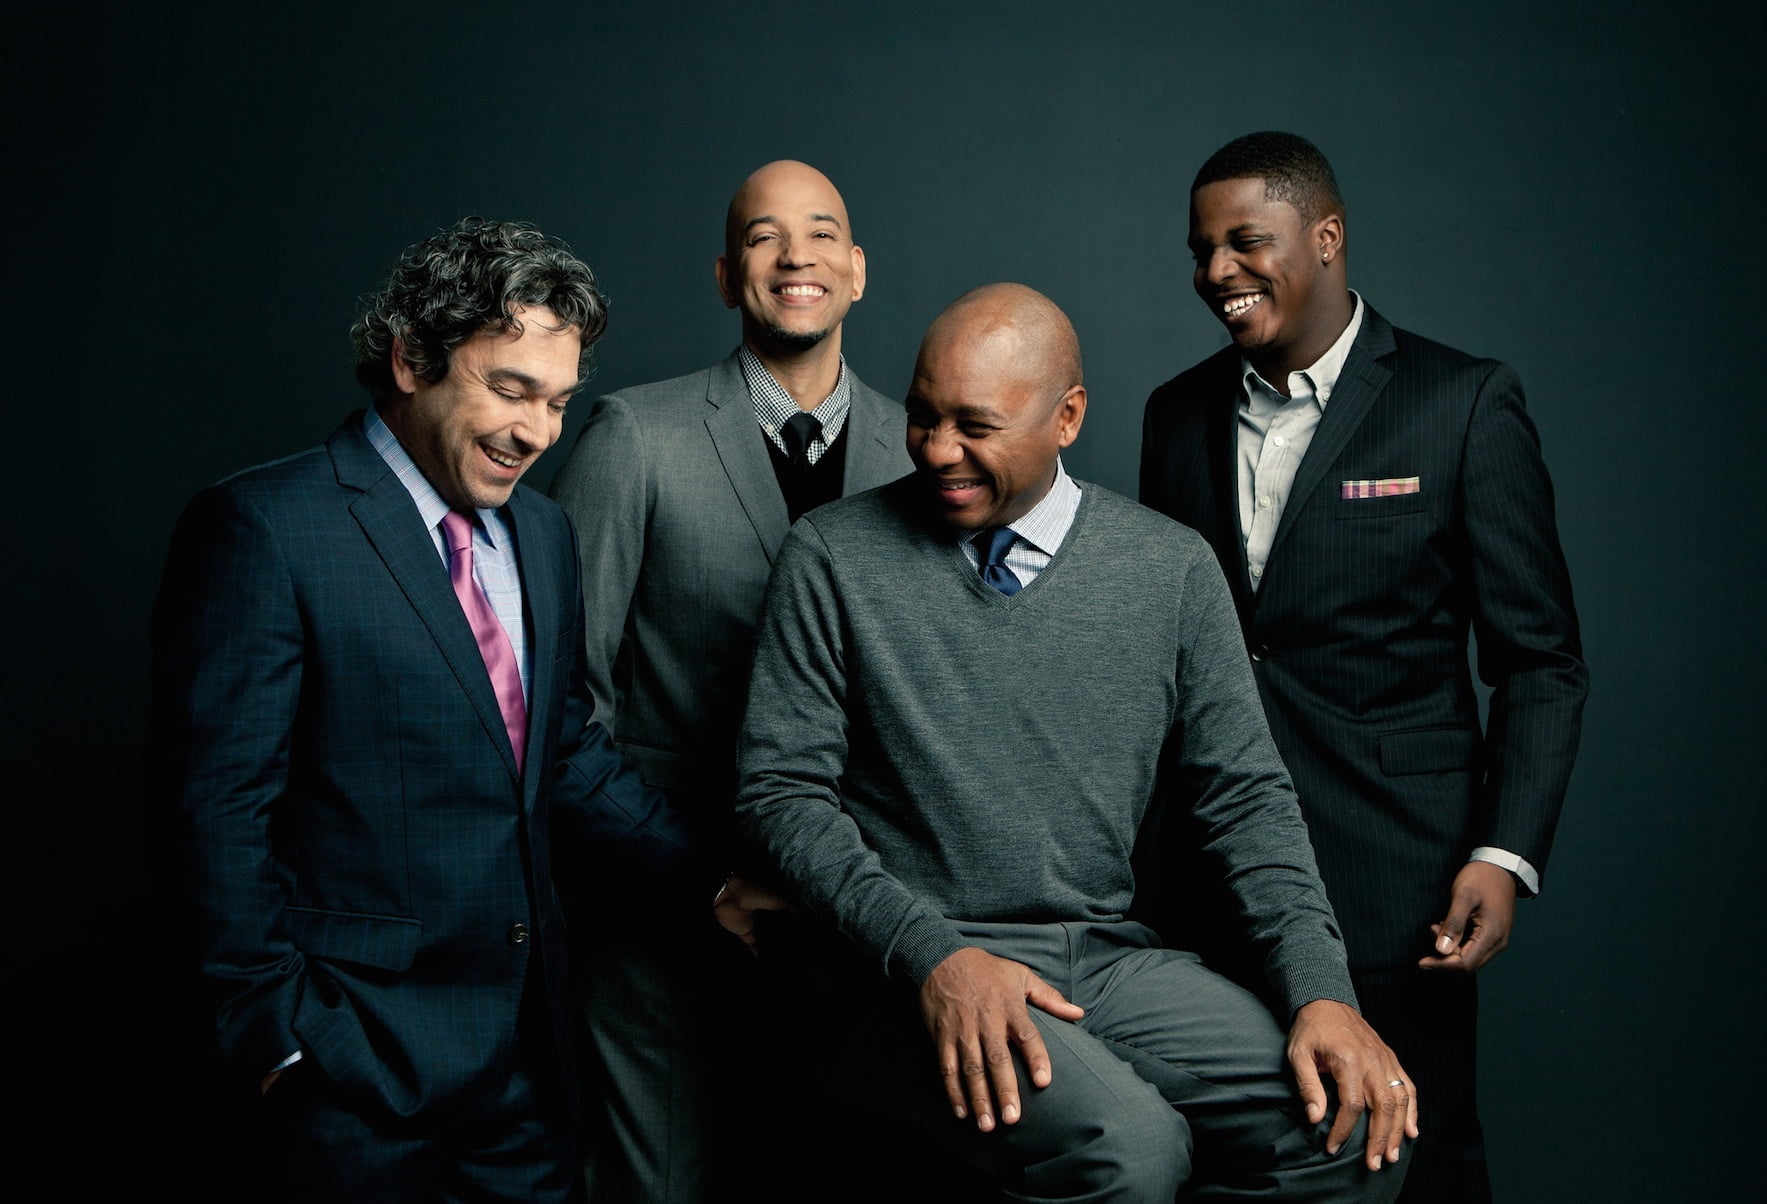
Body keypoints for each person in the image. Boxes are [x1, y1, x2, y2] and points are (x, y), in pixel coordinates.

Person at [725, 282, 1414, 1202]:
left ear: (1067, 418)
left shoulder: (1169, 569)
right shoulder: (831, 554)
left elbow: (1247, 800)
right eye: (923, 416)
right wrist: (933, 956)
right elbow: (780, 796)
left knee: (1353, 1128)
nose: (935, 450)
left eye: (975, 426)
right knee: (1129, 1151)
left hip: (1105, 959)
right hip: (902, 967)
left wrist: (1322, 992)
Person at [149, 218, 693, 1202]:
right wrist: (278, 1040)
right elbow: (214, 812)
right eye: (511, 389)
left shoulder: (544, 533)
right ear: (410, 360)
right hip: (348, 1079)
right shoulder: (265, 528)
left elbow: (560, 753)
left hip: (527, 1074)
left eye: (559, 401)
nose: (537, 432)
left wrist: (711, 882)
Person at [1140, 132, 1588, 1202]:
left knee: (1413, 1162)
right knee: (1234, 1171)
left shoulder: (1460, 402)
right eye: (1200, 250)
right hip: (1207, 881)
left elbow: (1540, 661)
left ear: (1326, 236)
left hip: (1398, 880)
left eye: (1245, 241)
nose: (1216, 272)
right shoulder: (1175, 413)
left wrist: (1503, 854)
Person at [548, 159, 910, 1200]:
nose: (796, 255)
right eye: (763, 236)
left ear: (857, 270)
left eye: (821, 233)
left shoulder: (918, 450)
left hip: (855, 931)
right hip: (667, 923)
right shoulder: (635, 437)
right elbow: (563, 702)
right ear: (724, 276)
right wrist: (688, 879)